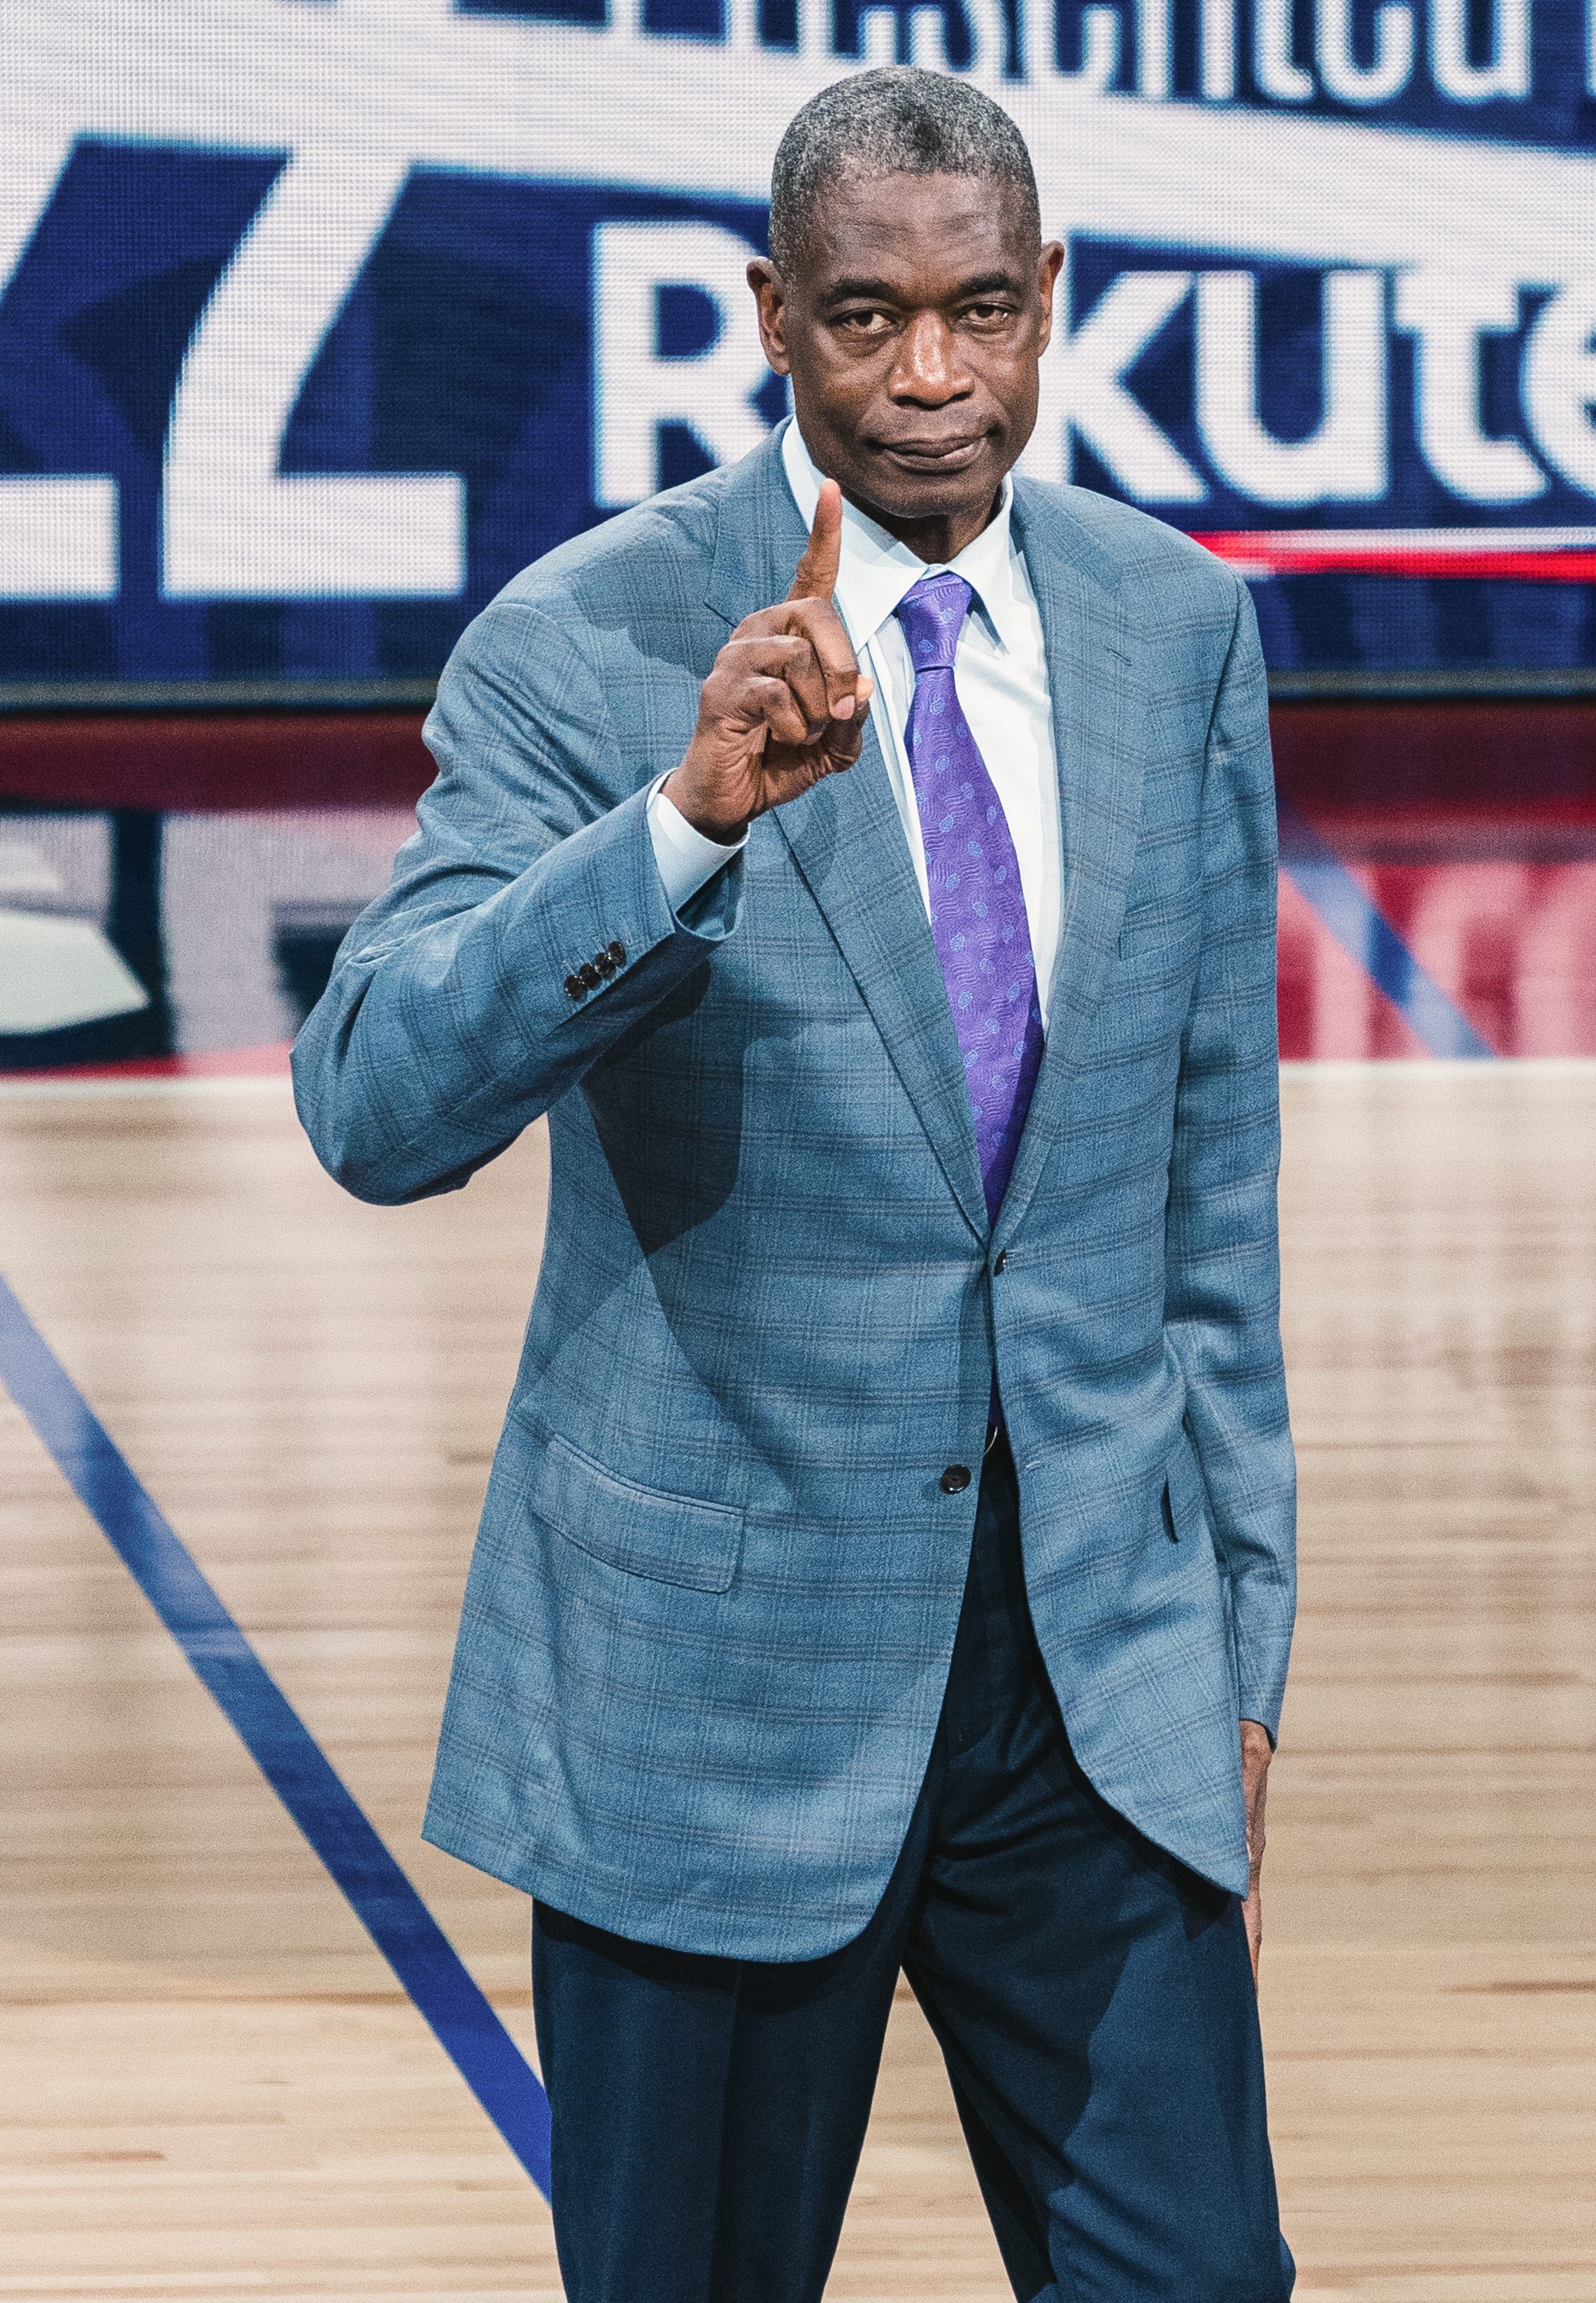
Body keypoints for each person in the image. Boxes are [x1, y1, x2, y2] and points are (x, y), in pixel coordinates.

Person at [294, 64, 1297, 2303]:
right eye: (863, 317)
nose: (929, 378)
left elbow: (1204, 1199)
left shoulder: (1178, 630)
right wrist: (677, 829)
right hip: (716, 1692)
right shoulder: (587, 638)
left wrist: (1239, 1645)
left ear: (1052, 302)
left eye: (976, 312)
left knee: (1201, 2278)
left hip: (1089, 1676)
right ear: (769, 314)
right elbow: (372, 1104)